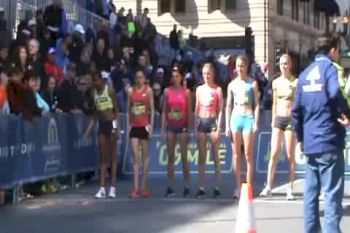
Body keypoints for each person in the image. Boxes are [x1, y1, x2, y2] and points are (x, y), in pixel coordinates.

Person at [291, 33, 350, 233]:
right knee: (332, 196)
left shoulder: (304, 74)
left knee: (311, 195)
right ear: (332, 50)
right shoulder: (329, 69)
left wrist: (300, 137)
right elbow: (334, 93)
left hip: (311, 142)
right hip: (329, 139)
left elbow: (295, 111)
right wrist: (344, 113)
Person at [259, 54, 297, 200]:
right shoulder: (275, 82)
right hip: (278, 119)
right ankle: (268, 186)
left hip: (290, 119)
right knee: (274, 153)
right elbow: (274, 102)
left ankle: (290, 188)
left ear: (290, 65)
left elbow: (297, 102)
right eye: (281, 64)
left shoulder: (295, 82)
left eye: (286, 63)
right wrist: (273, 118)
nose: (284, 66)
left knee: (290, 155)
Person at [225, 56, 260, 199]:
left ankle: (248, 186)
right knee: (236, 154)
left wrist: (256, 122)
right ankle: (238, 187)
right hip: (236, 117)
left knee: (248, 154)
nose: (240, 69)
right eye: (238, 66)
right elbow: (228, 106)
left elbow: (257, 104)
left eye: (242, 66)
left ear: (247, 67)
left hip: (248, 117)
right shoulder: (232, 85)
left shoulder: (253, 83)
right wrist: (227, 125)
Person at [84, 71, 119, 199]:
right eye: (95, 81)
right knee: (102, 158)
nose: (96, 83)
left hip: (111, 124)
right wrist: (88, 131)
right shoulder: (94, 94)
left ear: (102, 81)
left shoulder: (109, 91)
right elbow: (95, 114)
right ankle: (102, 188)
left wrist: (116, 128)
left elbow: (116, 110)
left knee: (113, 157)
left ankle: (113, 188)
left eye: (98, 81)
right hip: (101, 126)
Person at [161, 66, 192, 198]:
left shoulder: (186, 92)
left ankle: (186, 186)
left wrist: (190, 129)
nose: (175, 78)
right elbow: (164, 111)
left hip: (183, 126)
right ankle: (170, 187)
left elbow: (189, 112)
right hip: (171, 127)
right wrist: (163, 129)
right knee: (170, 158)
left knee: (184, 157)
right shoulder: (167, 91)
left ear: (181, 77)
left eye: (177, 76)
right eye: (173, 76)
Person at [195, 62, 224, 198]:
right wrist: (195, 125)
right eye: (204, 74)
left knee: (215, 156)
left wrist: (219, 127)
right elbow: (196, 108)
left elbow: (220, 110)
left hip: (212, 123)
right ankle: (201, 187)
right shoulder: (199, 89)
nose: (206, 76)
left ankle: (217, 186)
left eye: (209, 73)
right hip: (202, 122)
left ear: (213, 74)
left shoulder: (217, 90)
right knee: (202, 157)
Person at [127, 69, 154, 198]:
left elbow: (152, 110)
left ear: (144, 79)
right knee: (136, 157)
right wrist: (128, 126)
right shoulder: (131, 91)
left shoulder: (148, 91)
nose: (138, 80)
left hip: (144, 126)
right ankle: (135, 187)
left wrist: (151, 126)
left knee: (145, 157)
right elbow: (128, 110)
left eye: (141, 77)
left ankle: (144, 187)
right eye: (137, 77)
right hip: (134, 126)